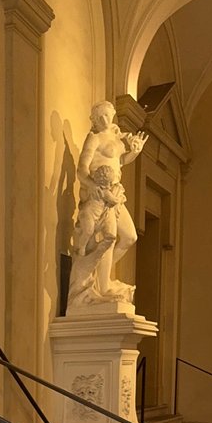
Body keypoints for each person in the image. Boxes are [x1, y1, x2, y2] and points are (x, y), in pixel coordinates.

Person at [68, 100, 147, 307]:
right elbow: (82, 170)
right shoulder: (94, 138)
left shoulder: (115, 134)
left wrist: (134, 152)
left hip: (115, 194)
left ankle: (101, 278)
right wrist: (92, 185)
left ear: (112, 115)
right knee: (109, 238)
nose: (104, 120)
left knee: (130, 237)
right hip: (100, 196)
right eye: (99, 116)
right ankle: (103, 286)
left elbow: (119, 162)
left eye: (106, 115)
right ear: (93, 119)